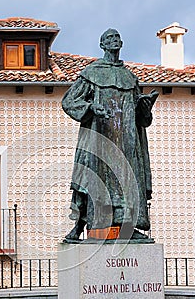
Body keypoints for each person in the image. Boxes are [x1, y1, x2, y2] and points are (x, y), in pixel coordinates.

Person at [62, 28, 158, 241]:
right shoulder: (91, 73)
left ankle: (129, 227)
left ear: (121, 43)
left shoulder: (130, 78)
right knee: (91, 180)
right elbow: (69, 101)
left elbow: (142, 121)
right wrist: (90, 107)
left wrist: (145, 108)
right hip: (100, 138)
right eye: (109, 38)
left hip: (126, 142)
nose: (114, 40)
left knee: (127, 184)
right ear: (102, 45)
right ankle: (79, 227)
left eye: (117, 37)